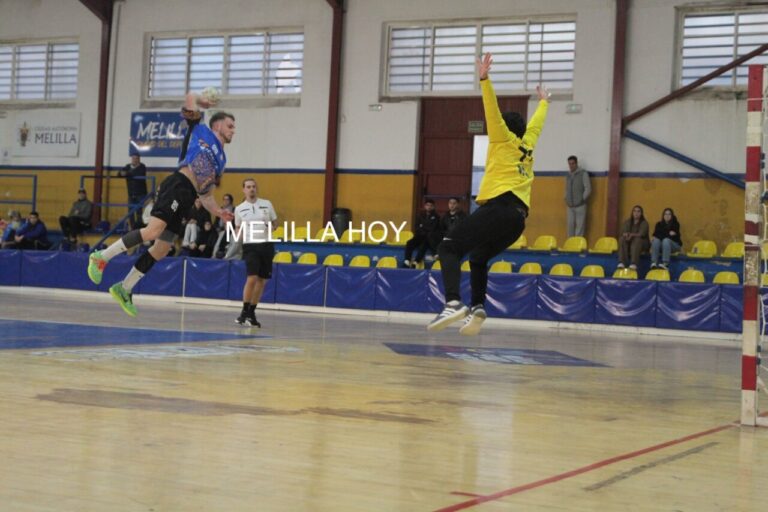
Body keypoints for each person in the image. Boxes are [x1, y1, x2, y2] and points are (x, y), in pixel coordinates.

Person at [428, 52, 549, 335]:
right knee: (478, 257)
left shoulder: (502, 137)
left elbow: (490, 109)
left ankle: (453, 302)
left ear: (505, 128)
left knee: (448, 247)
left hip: (500, 208)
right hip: (518, 221)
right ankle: (479, 306)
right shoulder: (527, 146)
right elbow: (536, 126)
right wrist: (543, 103)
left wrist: (484, 79)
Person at [86, 91, 235, 317]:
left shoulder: (222, 161)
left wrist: (218, 211)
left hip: (188, 197)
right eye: (230, 125)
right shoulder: (200, 129)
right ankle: (101, 257)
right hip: (177, 184)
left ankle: (124, 288)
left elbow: (205, 194)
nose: (234, 130)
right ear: (217, 125)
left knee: (162, 248)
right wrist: (200, 99)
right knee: (153, 230)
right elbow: (190, 101)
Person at [233, 178, 277, 327]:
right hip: (250, 245)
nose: (251, 189)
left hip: (266, 244)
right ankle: (244, 311)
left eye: (253, 186)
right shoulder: (239, 208)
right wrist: (238, 235)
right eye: (248, 187)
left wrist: (271, 227)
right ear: (243, 190)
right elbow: (238, 228)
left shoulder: (267, 204)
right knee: (251, 278)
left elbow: (275, 223)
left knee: (262, 281)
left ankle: (252, 312)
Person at [403, 199, 440, 268]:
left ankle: (416, 262)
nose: (429, 207)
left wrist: (423, 226)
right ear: (425, 206)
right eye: (427, 205)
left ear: (433, 207)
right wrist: (423, 228)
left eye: (431, 205)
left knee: (424, 244)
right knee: (409, 242)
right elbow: (417, 227)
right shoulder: (420, 215)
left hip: (429, 237)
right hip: (419, 235)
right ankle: (407, 260)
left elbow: (433, 229)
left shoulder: (437, 217)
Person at [119, 154, 148, 229]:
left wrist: (127, 173)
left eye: (136, 158)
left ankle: (138, 229)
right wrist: (121, 173)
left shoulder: (142, 167)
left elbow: (138, 173)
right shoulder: (127, 166)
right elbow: (119, 174)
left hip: (140, 194)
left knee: (139, 212)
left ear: (139, 159)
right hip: (131, 194)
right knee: (130, 213)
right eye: (133, 158)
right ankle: (132, 229)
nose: (134, 160)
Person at [564, 155, 591, 237]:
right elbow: (566, 188)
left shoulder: (583, 173)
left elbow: (588, 188)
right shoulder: (568, 175)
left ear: (576, 163)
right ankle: (570, 245)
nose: (571, 166)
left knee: (580, 227)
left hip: (580, 205)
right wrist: (565, 198)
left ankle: (577, 246)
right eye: (569, 164)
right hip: (570, 206)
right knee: (570, 226)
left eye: (572, 163)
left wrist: (582, 199)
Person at [617, 205, 649, 270]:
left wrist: (631, 235)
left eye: (638, 211)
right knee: (622, 239)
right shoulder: (627, 222)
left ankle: (633, 263)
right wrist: (626, 235)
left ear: (641, 213)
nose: (636, 213)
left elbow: (641, 234)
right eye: (634, 211)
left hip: (642, 243)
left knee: (637, 240)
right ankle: (622, 262)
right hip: (629, 242)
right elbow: (623, 232)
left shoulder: (644, 223)